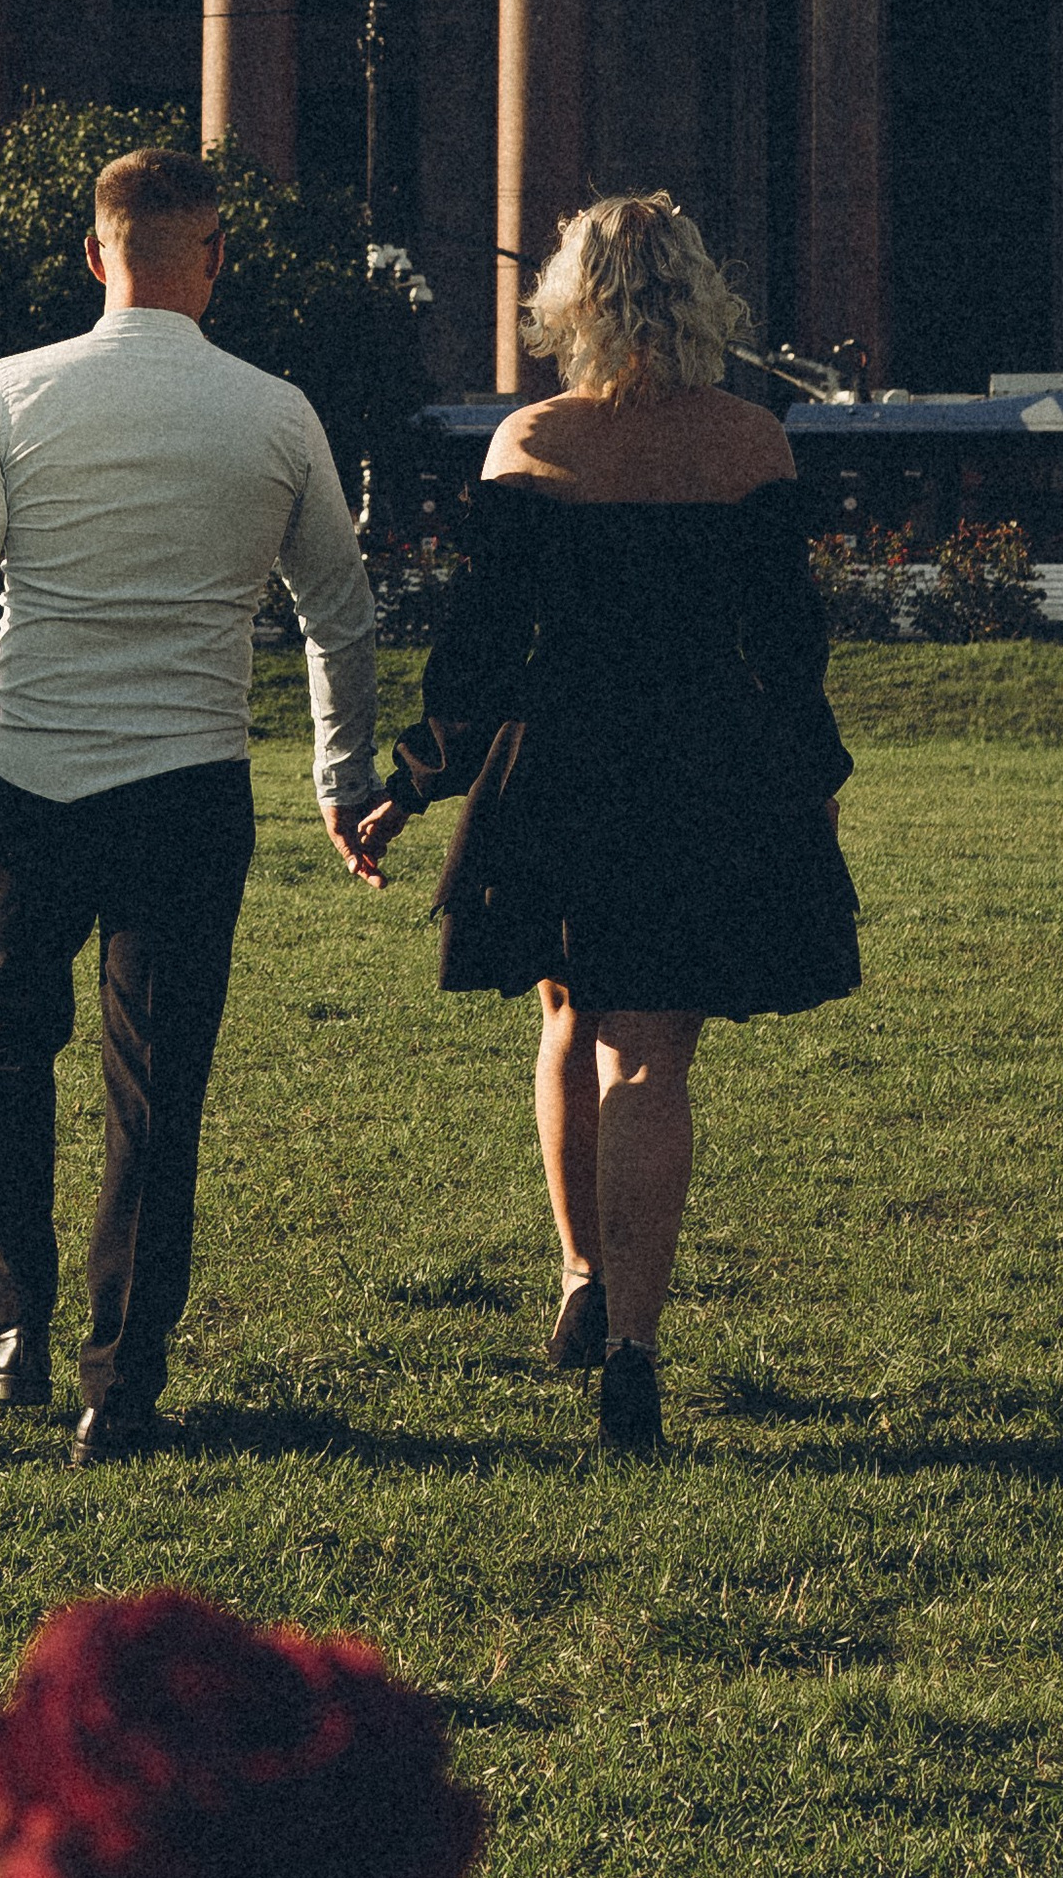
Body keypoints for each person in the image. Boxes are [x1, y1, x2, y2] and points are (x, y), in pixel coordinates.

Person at [0, 147, 382, 1466]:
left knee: (4, 1051)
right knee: (157, 1085)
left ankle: (10, 1337)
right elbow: (339, 612)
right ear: (216, 258)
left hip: (28, 779)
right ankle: (124, 1382)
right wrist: (343, 779)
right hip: (190, 788)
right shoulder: (275, 413)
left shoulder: (11, 392)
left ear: (93, 255)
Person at [359, 195, 859, 1458]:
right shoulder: (752, 443)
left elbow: (480, 654)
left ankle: (581, 1277)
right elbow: (787, 651)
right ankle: (634, 1347)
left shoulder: (531, 441)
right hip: (705, 770)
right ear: (698, 294)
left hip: (558, 770)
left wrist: (410, 783)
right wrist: (812, 775)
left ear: (570, 302)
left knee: (568, 1020)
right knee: (652, 1061)